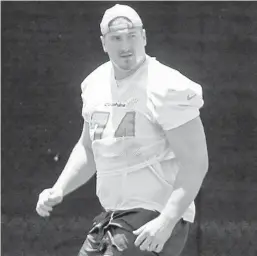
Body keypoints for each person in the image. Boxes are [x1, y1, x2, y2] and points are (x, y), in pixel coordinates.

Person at [36, 4, 209, 256]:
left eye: (132, 36)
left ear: (144, 37)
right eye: (116, 38)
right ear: (104, 43)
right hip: (113, 218)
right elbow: (89, 147)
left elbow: (195, 162)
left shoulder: (168, 86)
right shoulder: (94, 83)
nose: (125, 45)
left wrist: (166, 222)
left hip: (153, 219)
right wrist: (59, 188)